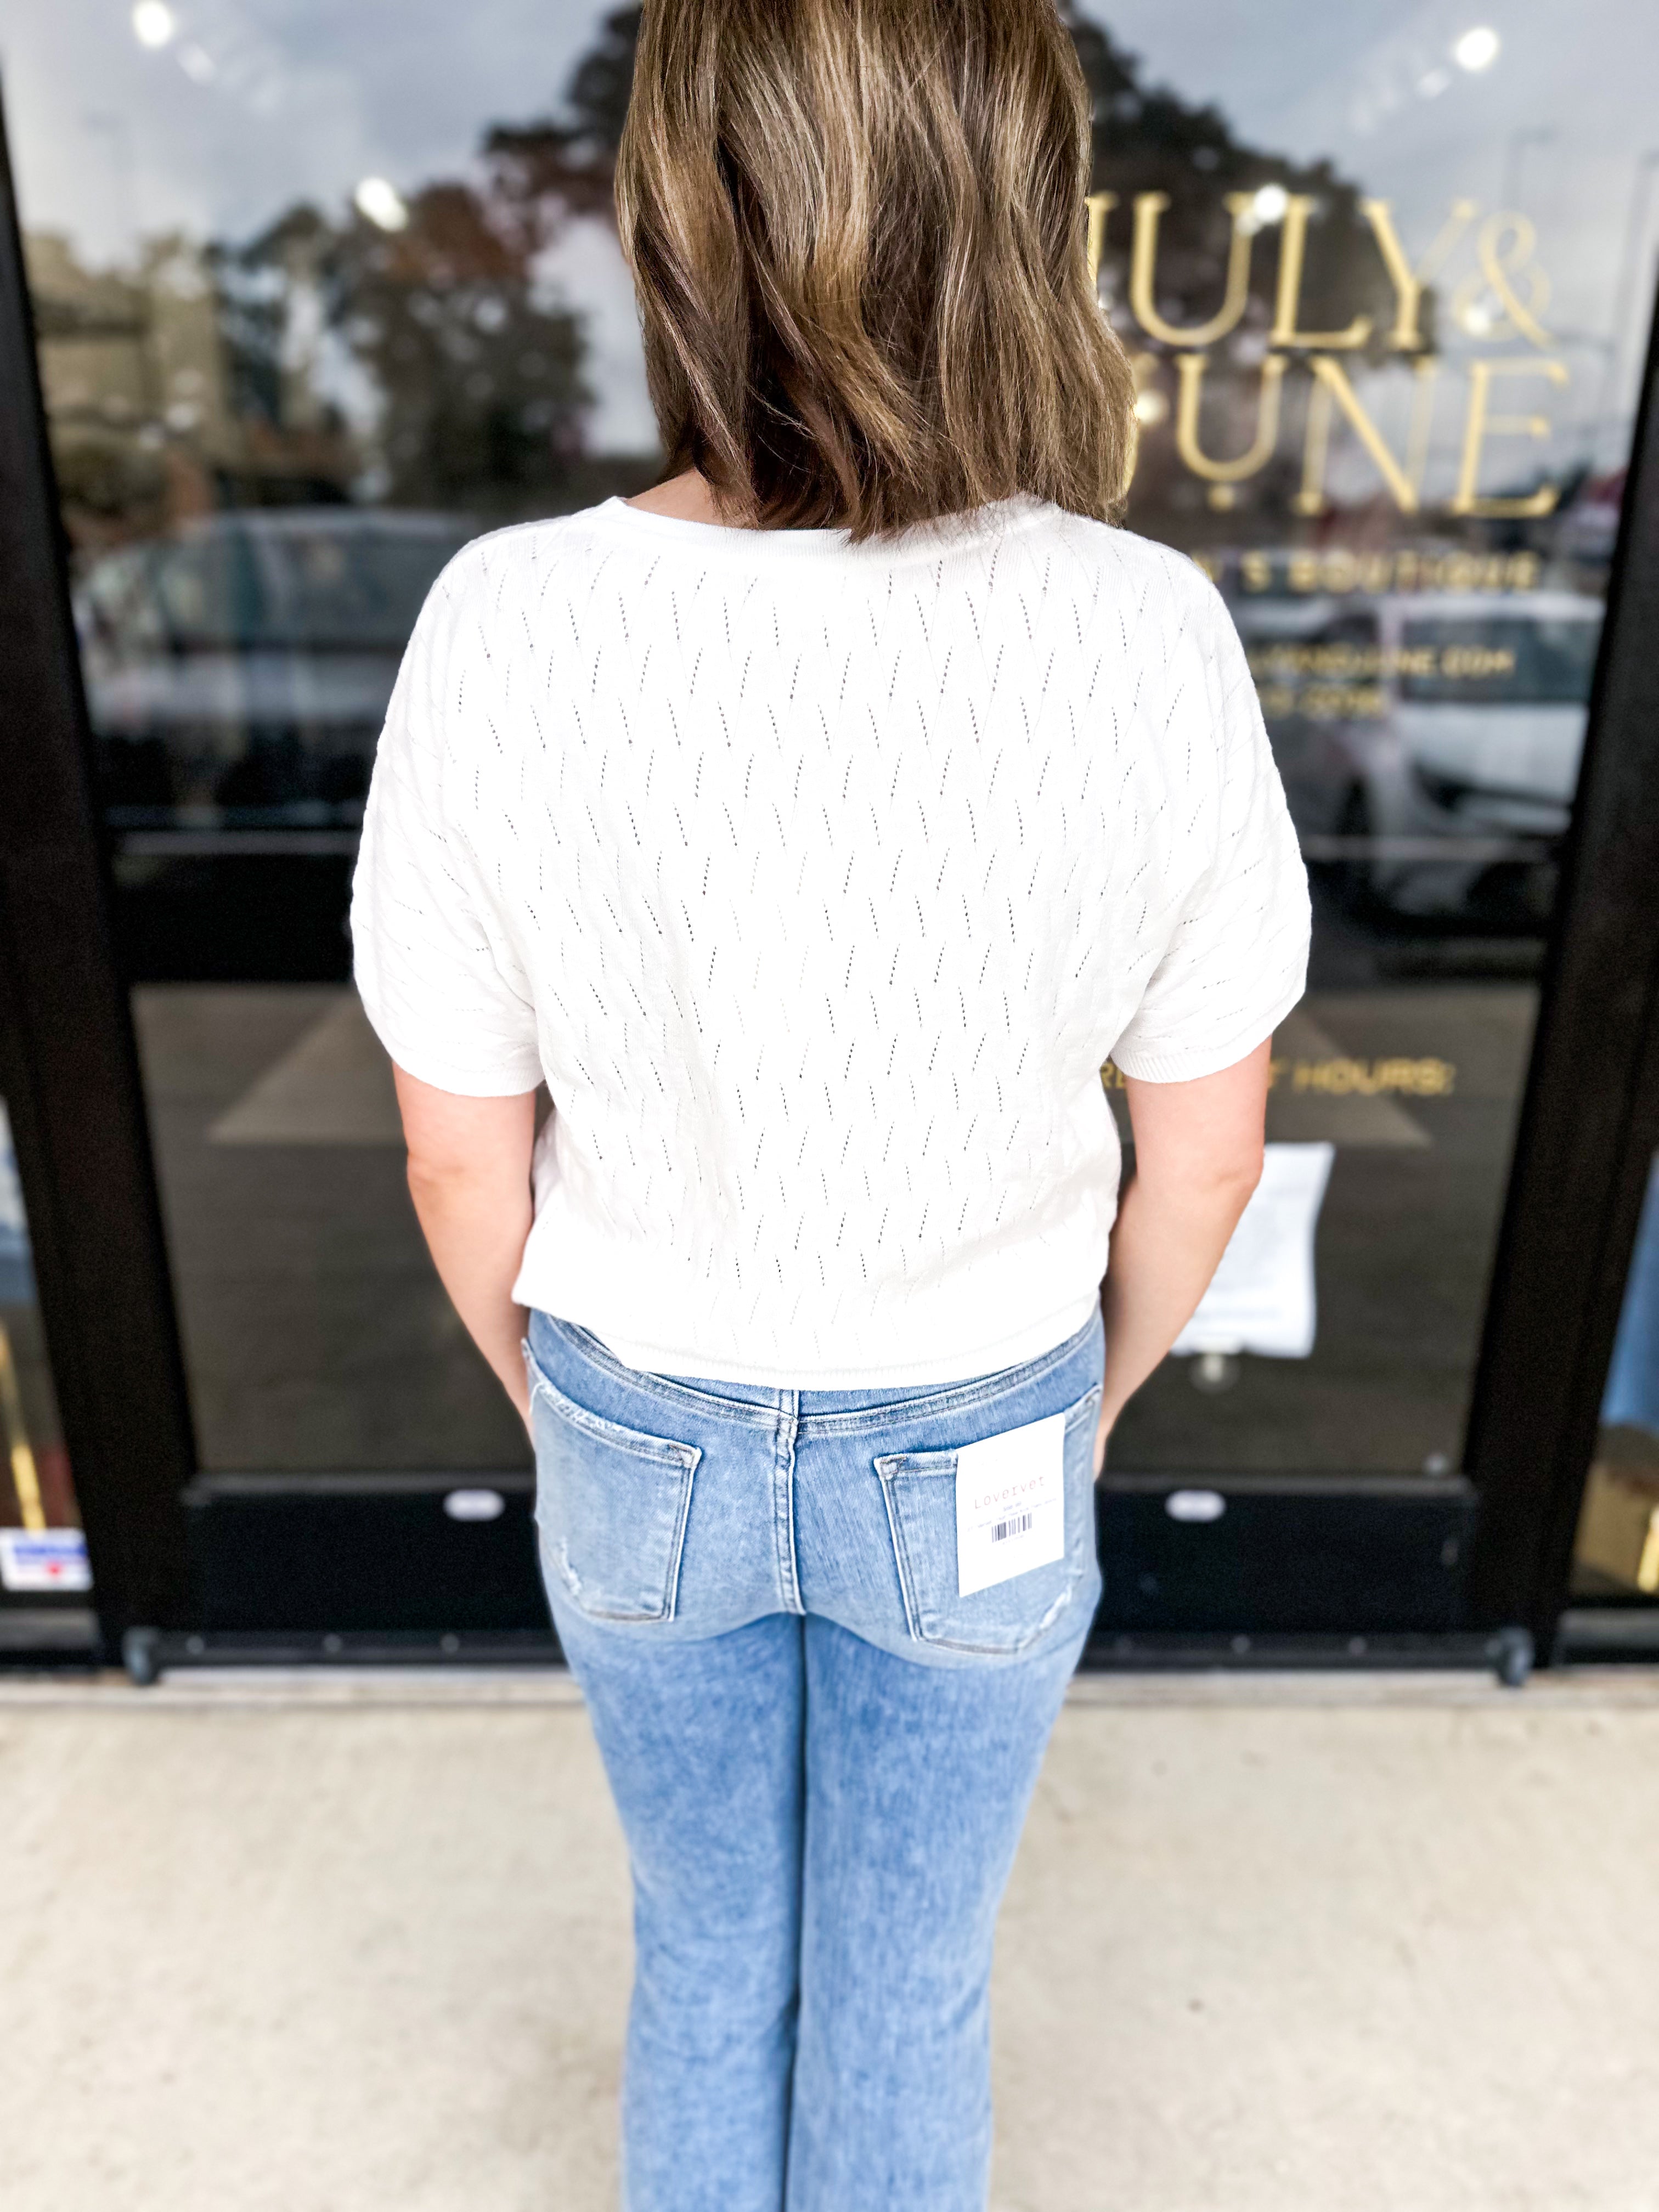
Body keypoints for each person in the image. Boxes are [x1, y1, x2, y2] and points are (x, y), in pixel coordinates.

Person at [349, 0, 1310, 2203]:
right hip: (979, 1407)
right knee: (909, 1977)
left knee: (702, 1948)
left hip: (638, 1402)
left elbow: (451, 1150)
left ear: (680, 214)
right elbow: (1212, 1152)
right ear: (1021, 212)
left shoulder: (508, 620)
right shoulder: (1147, 626)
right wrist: (1080, 1407)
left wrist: (573, 1406)